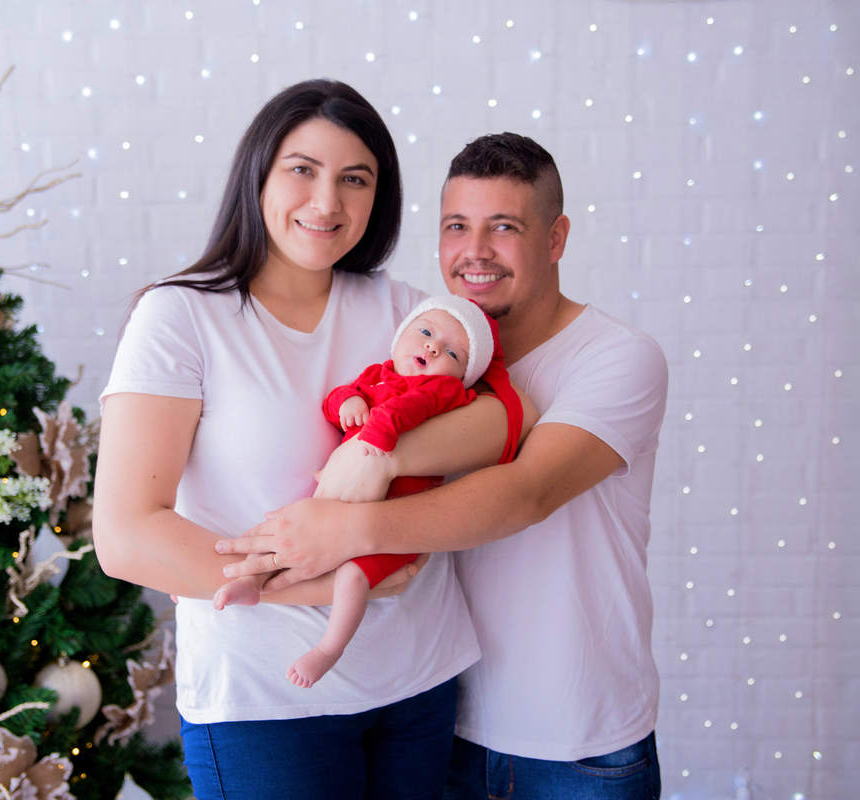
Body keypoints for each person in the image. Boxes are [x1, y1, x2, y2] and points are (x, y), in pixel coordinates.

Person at [94, 82, 532, 800]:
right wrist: (318, 581)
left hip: (418, 685)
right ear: (258, 174)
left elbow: (506, 418)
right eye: (303, 170)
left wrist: (379, 455)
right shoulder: (180, 318)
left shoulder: (405, 311)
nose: (327, 202)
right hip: (266, 706)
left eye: (355, 179)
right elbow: (126, 537)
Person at [218, 132, 669, 800]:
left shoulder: (618, 357)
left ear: (556, 238)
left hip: (579, 744)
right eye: (457, 226)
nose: (474, 251)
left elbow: (526, 493)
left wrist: (348, 522)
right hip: (441, 723)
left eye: (504, 227)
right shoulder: (429, 346)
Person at [214, 296, 524, 690]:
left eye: (452, 353)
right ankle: (252, 581)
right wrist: (349, 401)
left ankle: (329, 648)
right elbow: (335, 400)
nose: (432, 347)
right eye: (425, 332)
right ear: (400, 337)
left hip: (393, 520)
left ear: (463, 375)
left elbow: (412, 408)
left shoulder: (447, 391)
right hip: (340, 500)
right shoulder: (378, 374)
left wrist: (377, 430)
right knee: (289, 527)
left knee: (352, 577)